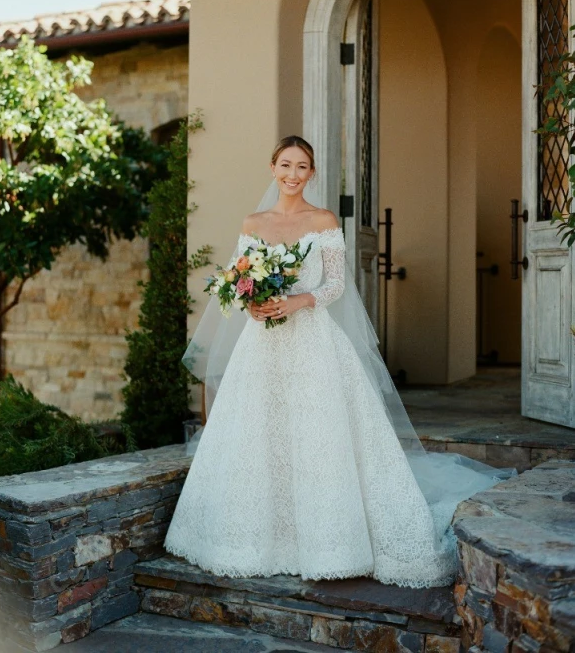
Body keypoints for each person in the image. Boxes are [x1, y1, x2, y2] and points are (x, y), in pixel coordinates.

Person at [164, 135, 510, 588]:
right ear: (272, 168)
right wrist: (251, 303)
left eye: (302, 167)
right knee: (258, 432)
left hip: (311, 339)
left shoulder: (323, 220)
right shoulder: (253, 222)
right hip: (262, 343)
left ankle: (332, 544)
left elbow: (336, 285)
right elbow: (238, 279)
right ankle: (251, 540)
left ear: (311, 173)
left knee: (318, 435)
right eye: (285, 165)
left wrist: (299, 301)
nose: (292, 174)